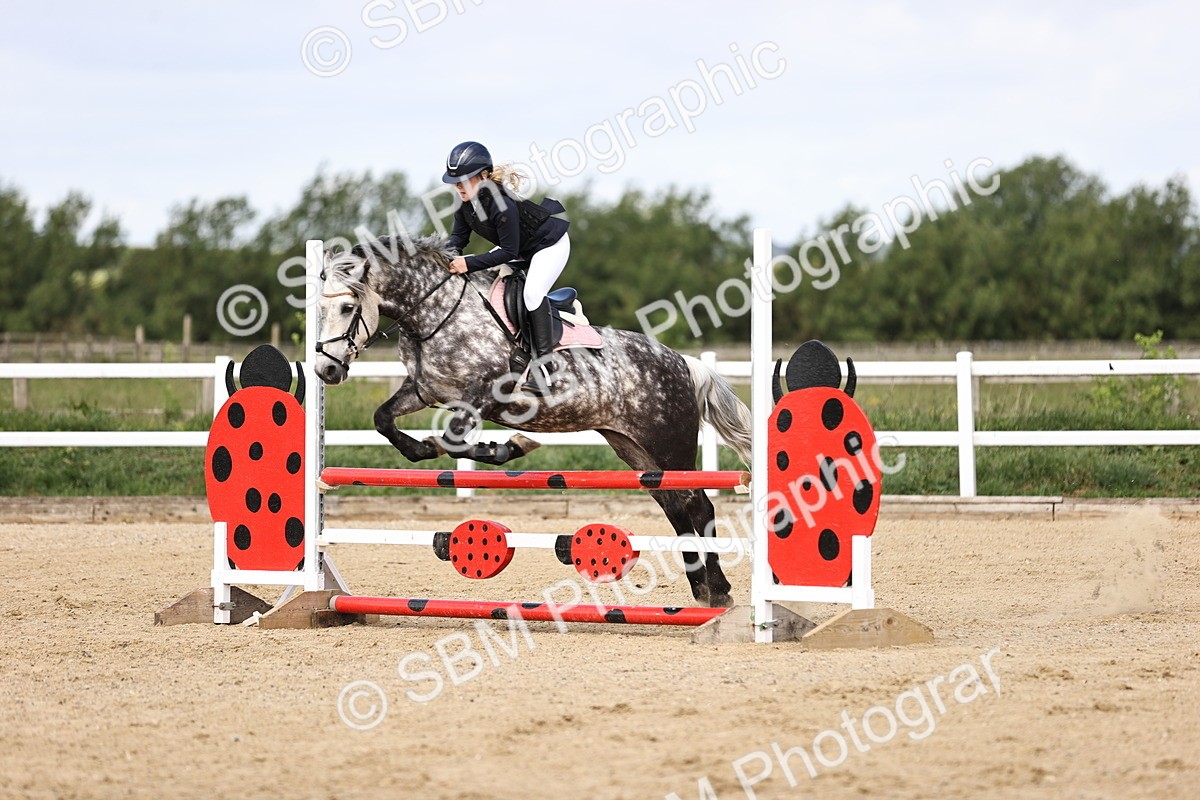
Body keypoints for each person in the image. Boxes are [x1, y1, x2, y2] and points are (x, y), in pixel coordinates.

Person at [442, 141, 570, 395]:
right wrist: (439, 261)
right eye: (455, 180)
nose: (458, 185)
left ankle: (545, 369)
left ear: (485, 177)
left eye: (465, 179)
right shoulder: (465, 206)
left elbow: (508, 253)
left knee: (532, 294)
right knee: (486, 284)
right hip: (521, 248)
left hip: (548, 246)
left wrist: (467, 263)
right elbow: (457, 241)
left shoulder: (502, 204)